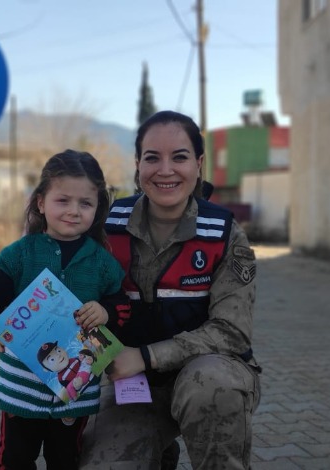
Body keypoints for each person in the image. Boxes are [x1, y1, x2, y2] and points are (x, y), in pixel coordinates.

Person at [80, 110, 262, 469]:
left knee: (210, 385)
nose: (165, 170)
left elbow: (232, 332)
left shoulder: (223, 233)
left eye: (179, 157)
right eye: (152, 158)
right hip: (134, 385)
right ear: (137, 165)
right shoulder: (106, 227)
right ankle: (160, 453)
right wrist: (26, 332)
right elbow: (70, 291)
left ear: (198, 163)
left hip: (210, 377)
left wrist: (146, 355)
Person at [0, 149, 127, 470]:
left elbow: (122, 310)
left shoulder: (104, 264)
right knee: (15, 460)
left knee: (65, 460)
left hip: (75, 393)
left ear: (98, 208)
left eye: (85, 203)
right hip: (21, 390)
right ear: (40, 202)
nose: (74, 211)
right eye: (62, 200)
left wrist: (105, 312)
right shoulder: (19, 255)